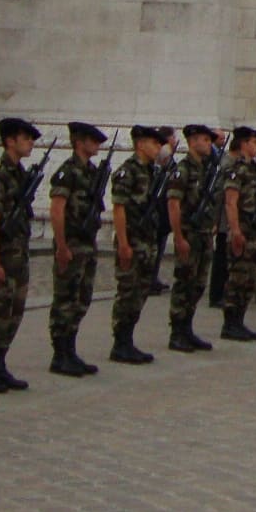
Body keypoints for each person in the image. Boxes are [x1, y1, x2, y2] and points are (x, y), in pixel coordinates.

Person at [0, 117, 40, 392]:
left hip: (18, 254)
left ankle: (0, 363)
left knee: (14, 311)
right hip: (2, 254)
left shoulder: (21, 174)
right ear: (10, 141)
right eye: (25, 138)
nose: (30, 143)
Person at [46, 122, 108, 377]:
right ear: (80, 142)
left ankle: (70, 350)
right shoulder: (68, 172)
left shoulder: (93, 172)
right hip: (71, 243)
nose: (97, 145)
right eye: (92, 140)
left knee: (81, 298)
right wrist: (61, 245)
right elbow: (57, 209)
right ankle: (60, 354)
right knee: (65, 299)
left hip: (87, 243)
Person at [105, 125, 163, 366]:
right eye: (154, 143)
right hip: (131, 240)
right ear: (140, 144)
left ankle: (128, 340)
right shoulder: (126, 172)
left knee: (140, 292)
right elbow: (119, 209)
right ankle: (120, 343)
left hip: (147, 241)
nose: (158, 148)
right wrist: (123, 243)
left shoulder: (152, 172)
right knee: (127, 292)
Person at [165, 123, 219, 352]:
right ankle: (177, 332)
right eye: (205, 140)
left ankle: (187, 328)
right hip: (188, 234)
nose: (209, 144)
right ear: (193, 141)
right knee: (184, 284)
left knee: (197, 285)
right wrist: (178, 237)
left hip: (204, 235)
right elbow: (174, 204)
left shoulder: (205, 169)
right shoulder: (183, 169)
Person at [217, 126, 256, 342]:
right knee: (237, 277)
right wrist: (235, 230)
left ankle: (240, 320)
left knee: (249, 278)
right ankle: (230, 323)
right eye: (254, 142)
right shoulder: (235, 168)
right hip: (242, 228)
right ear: (244, 143)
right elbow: (231, 201)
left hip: (255, 229)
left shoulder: (255, 169)